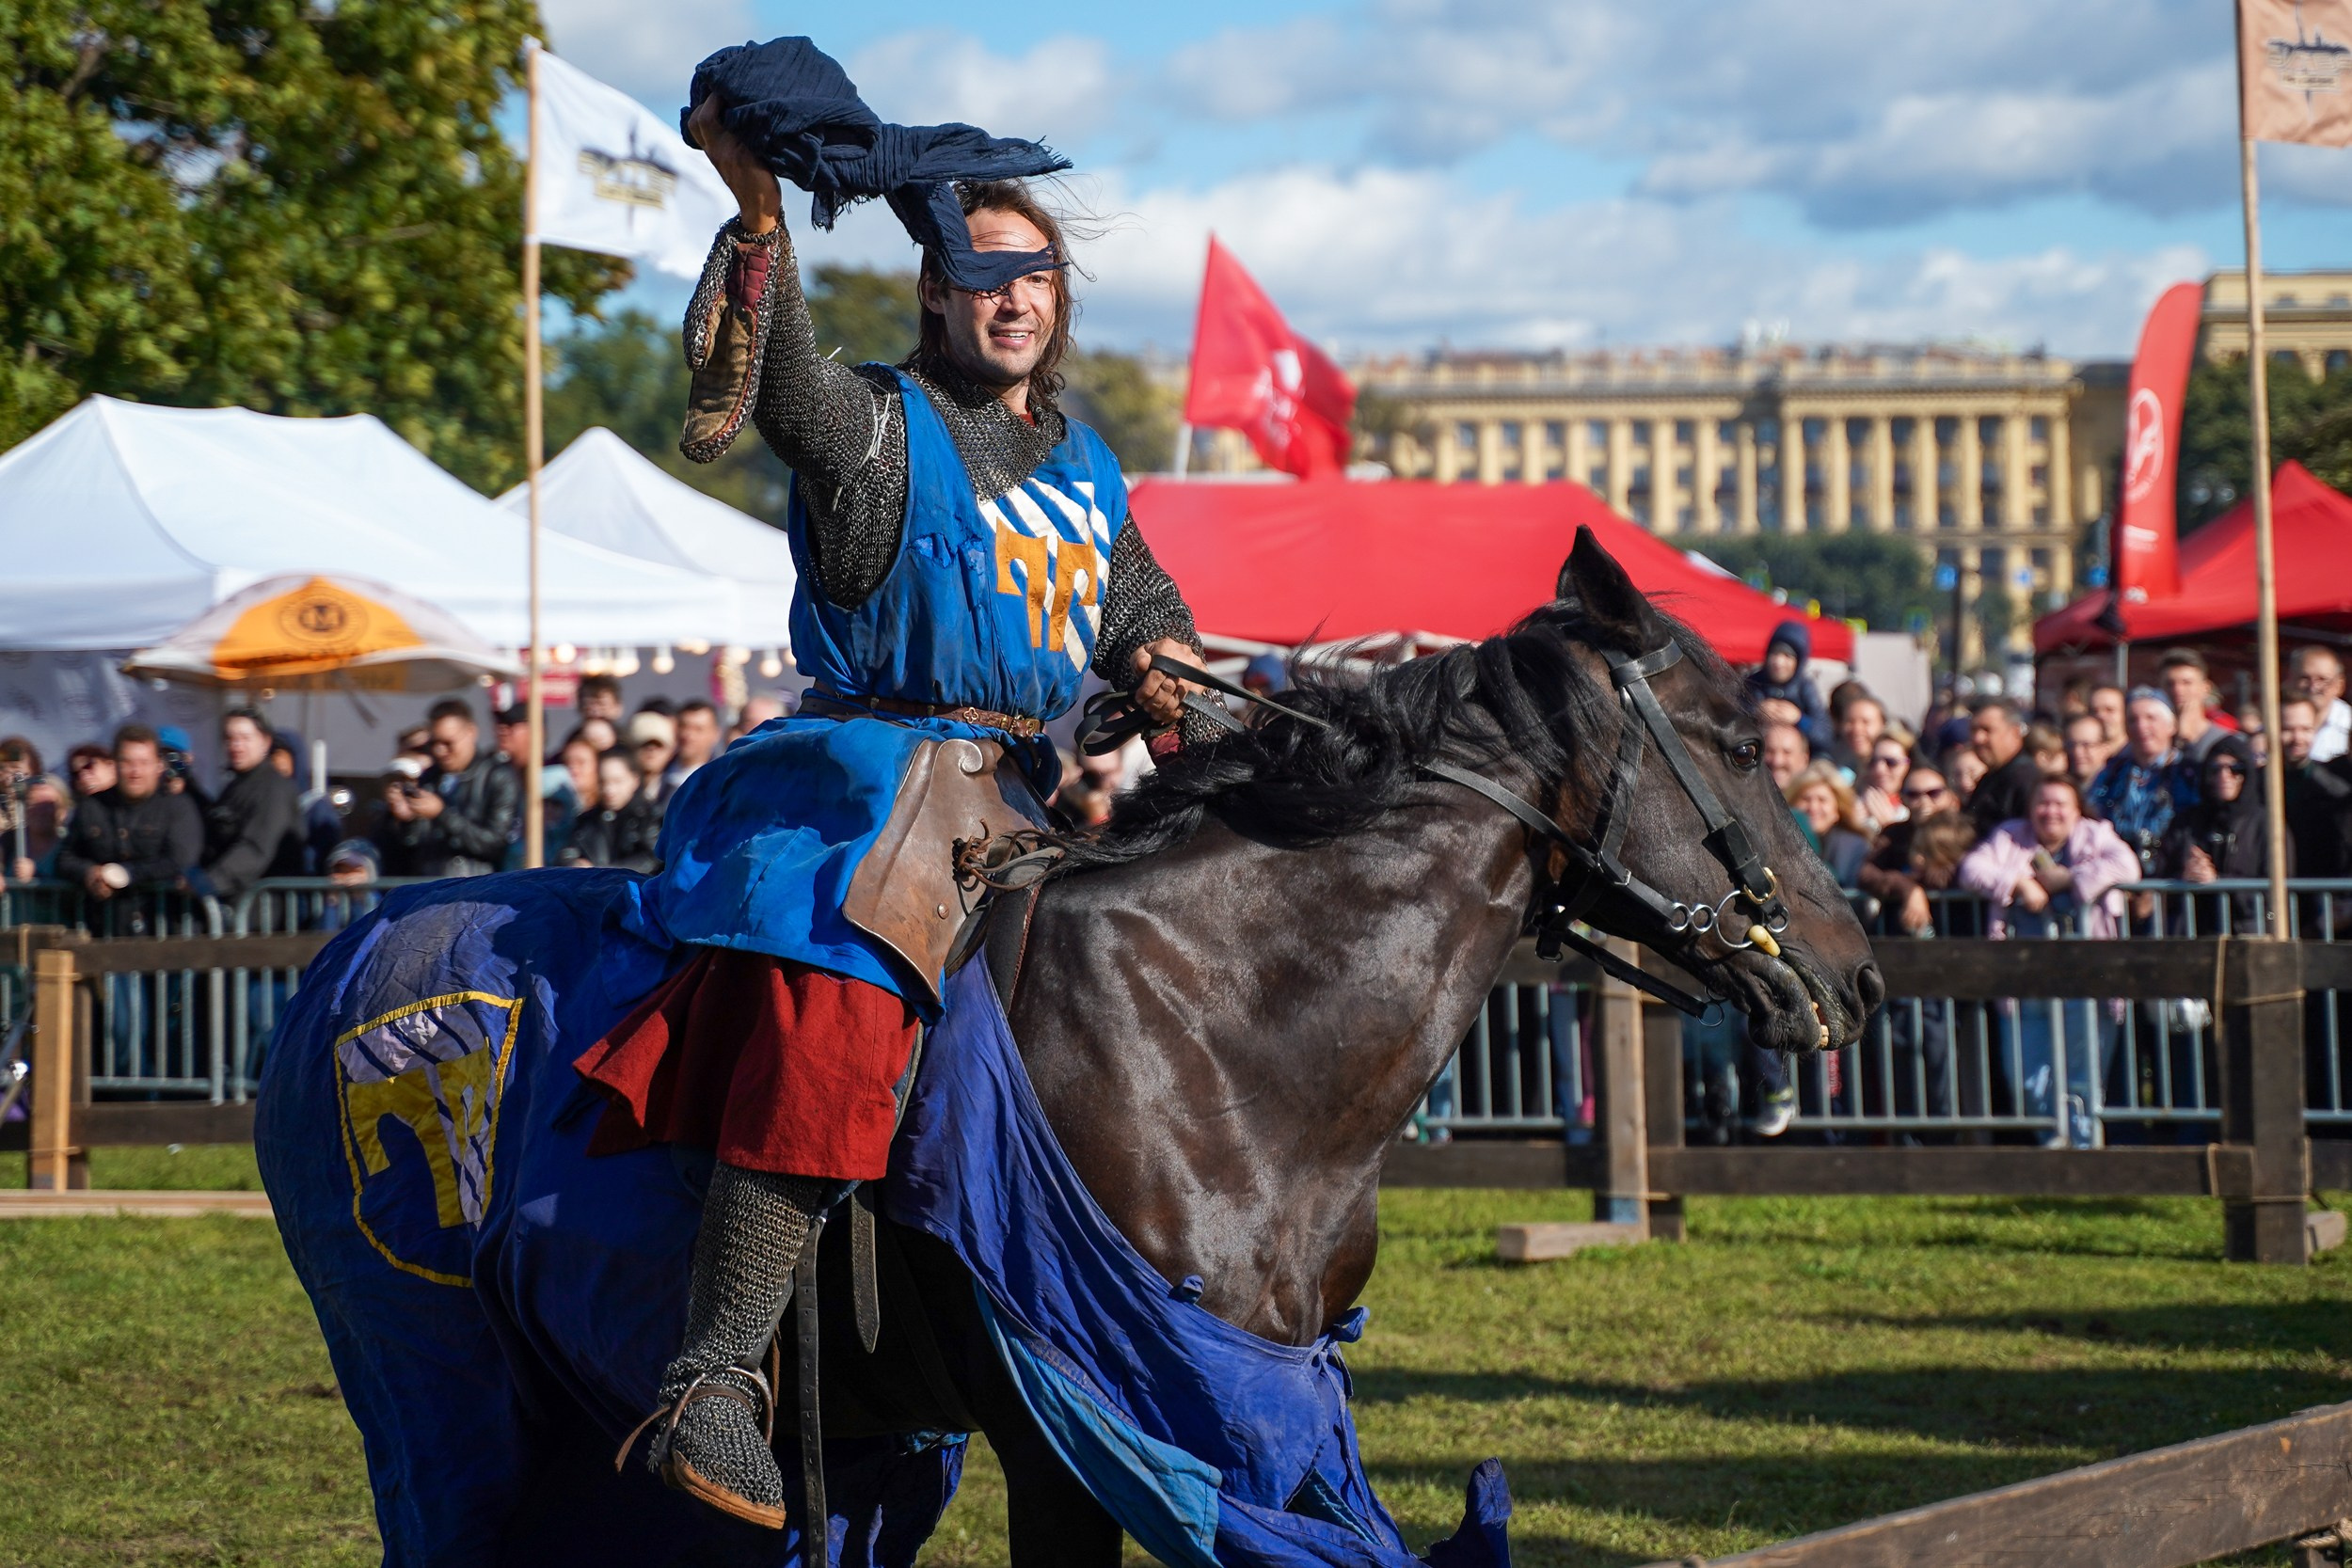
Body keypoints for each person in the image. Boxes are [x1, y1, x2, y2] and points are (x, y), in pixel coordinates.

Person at [568, 87, 1212, 1528]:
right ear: (934, 291)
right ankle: (717, 1372)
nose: (1010, 297)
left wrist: (1185, 691)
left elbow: (1141, 614)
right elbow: (782, 386)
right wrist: (754, 215)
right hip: (876, 781)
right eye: (979, 272)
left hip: (1023, 796)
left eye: (1032, 271)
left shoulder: (1085, 463)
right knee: (843, 995)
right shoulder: (880, 427)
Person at [1958, 776, 2138, 1145]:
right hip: (2023, 977)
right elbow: (1971, 870)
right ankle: (2052, 1146)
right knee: (2026, 1074)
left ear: (2076, 810)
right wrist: (2019, 884)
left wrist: (2069, 879)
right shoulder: (2010, 836)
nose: (2050, 812)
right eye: (2043, 803)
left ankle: (2084, 1148)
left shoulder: (2096, 834)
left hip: (2087, 976)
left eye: (2060, 804)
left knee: (2083, 1071)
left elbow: (2127, 866)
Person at [54, 724, 204, 905]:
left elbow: (181, 861)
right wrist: (89, 873)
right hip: (105, 922)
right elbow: (65, 859)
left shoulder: (178, 807)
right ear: (115, 764)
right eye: (127, 763)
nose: (136, 772)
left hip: (162, 920)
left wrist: (125, 875)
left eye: (144, 763)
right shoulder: (91, 807)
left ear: (158, 766)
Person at [373, 700, 520, 879]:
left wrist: (441, 814)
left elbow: (496, 843)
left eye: (448, 743)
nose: (440, 751)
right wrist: (405, 820)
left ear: (471, 733)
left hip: (478, 889)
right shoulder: (429, 777)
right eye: (434, 743)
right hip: (430, 887)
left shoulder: (498, 777)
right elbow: (409, 848)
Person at [2154, 734, 2283, 935]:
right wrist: (2184, 878)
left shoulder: (2266, 824)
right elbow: (2161, 875)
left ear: (2247, 774)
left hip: (2249, 934)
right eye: (2215, 769)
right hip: (2194, 933)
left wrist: (2218, 881)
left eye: (2235, 769)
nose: (2224, 777)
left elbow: (2277, 886)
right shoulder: (2186, 822)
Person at [192, 707, 306, 902]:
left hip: (263, 908)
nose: (236, 745)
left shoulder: (272, 788)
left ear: (265, 742)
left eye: (245, 738)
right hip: (234, 901)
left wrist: (209, 882)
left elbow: (256, 847)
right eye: (230, 738)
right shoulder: (234, 785)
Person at [2086, 688, 2199, 875]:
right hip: (2119, 874)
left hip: (2170, 875)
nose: (2141, 727)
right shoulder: (2111, 774)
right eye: (2133, 720)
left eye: (2150, 718)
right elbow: (2092, 815)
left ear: (2171, 726)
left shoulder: (2188, 773)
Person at [2281, 697, 2352, 881]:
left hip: (2321, 894)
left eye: (2305, 729)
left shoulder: (2336, 786)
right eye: (2287, 729)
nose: (2297, 739)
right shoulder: (2253, 785)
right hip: (2270, 897)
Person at [564, 750, 663, 873]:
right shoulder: (586, 821)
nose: (609, 790)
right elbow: (567, 854)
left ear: (635, 780)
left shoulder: (650, 818)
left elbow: (653, 858)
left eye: (617, 781)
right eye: (603, 782)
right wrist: (575, 864)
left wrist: (602, 871)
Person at [1746, 620, 1831, 752]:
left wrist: (1799, 719)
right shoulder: (1753, 683)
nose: (1779, 662)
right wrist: (1756, 712)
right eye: (1774, 654)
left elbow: (1824, 736)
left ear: (1798, 661)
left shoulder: (1805, 688)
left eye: (1787, 656)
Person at [1965, 700, 2041, 836]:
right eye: (1973, 730)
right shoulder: (1992, 777)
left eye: (1987, 730)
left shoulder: (2024, 779)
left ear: (2015, 732)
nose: (1978, 738)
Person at [1788, 763, 1870, 886]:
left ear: (1838, 809)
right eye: (1806, 799)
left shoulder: (1851, 847)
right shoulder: (1783, 842)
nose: (1813, 807)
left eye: (1822, 800)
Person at [2156, 648, 2230, 761]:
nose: (2177, 690)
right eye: (2169, 683)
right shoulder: (2152, 742)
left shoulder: (2225, 742)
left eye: (2187, 683)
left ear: (2205, 688)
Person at [2292, 645, 2350, 764]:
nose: (2313, 687)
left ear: (2339, 685)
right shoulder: (2274, 722)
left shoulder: (2349, 723)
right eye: (2305, 678)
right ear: (2291, 680)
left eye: (2322, 679)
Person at [1856, 736, 1911, 833]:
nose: (1879, 770)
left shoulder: (1921, 802)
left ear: (1909, 765)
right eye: (1873, 762)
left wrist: (1889, 828)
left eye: (1891, 762)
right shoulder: (1854, 803)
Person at [1831, 694, 1886, 781]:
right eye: (1850, 722)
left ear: (1883, 725)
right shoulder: (1840, 773)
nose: (1856, 729)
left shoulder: (1894, 769)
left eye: (1865, 722)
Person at [672, 699, 724, 786]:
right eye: (683, 726)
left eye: (698, 729)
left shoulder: (720, 780)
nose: (688, 735)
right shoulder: (658, 772)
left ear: (715, 734)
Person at [2064, 712, 2116, 790]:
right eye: (2071, 745)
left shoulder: (2119, 789)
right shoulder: (2061, 789)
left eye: (2087, 745)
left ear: (2105, 750)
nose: (2077, 752)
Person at [1761, 721, 1810, 795]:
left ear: (1804, 761)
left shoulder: (1812, 803)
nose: (1777, 761)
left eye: (1787, 753)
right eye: (1770, 751)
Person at [2090, 684, 2126, 751]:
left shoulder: (2140, 758)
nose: (2101, 716)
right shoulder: (2077, 757)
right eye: (2094, 711)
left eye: (2109, 710)